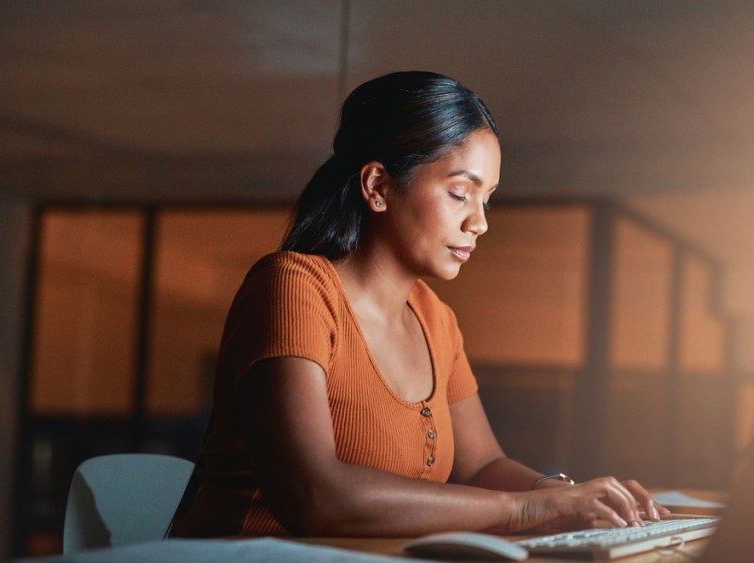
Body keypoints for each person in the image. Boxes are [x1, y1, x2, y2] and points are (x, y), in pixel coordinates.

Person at [174, 71, 668, 538]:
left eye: (486, 200)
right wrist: (525, 510)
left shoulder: (436, 319)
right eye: (460, 193)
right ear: (378, 187)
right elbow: (313, 494)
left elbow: (481, 467)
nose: (480, 223)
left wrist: (567, 495)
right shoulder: (294, 288)